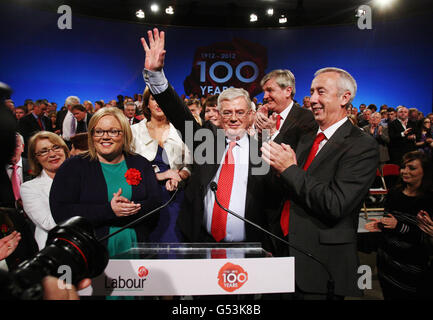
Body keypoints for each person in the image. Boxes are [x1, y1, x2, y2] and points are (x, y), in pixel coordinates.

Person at [140, 29, 271, 250]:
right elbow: (179, 115)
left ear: (250, 115)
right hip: (202, 242)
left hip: (251, 247)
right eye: (227, 112)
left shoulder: (263, 151)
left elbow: (272, 204)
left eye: (240, 112)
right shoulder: (207, 143)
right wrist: (156, 76)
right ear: (218, 116)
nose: (233, 118)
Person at [261, 67, 379, 299]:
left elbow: (336, 204)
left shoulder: (362, 145)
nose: (312, 99)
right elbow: (288, 190)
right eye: (312, 91)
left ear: (345, 98)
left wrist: (289, 169)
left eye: (321, 92)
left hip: (320, 265)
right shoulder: (305, 138)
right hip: (281, 253)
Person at [49, 107, 162, 257]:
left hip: (138, 250)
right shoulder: (73, 167)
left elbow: (155, 204)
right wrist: (109, 211)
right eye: (99, 131)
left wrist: (129, 209)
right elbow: (61, 212)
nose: (105, 137)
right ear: (92, 135)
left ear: (125, 134)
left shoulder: (140, 164)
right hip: (89, 254)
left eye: (113, 131)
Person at [365, 151, 433, 299]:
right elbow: (388, 221)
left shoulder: (428, 200)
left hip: (413, 272)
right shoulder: (394, 193)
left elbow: (424, 238)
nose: (404, 171)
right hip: (387, 267)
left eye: (412, 168)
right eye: (403, 167)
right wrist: (381, 225)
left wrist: (399, 226)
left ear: (425, 171)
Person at [131, 88, 192, 243]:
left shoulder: (181, 130)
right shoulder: (133, 131)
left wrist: (180, 176)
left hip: (175, 195)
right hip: (142, 198)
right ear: (146, 104)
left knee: (174, 245)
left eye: (163, 99)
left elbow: (190, 165)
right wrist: (160, 175)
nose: (159, 103)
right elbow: (127, 170)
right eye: (153, 99)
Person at [20, 131, 69, 250]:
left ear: (64, 150)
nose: (52, 154)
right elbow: (49, 223)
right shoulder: (29, 188)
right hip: (55, 251)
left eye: (56, 147)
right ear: (36, 158)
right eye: (44, 151)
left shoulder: (84, 177)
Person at [255, 69, 317, 150]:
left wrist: (273, 133)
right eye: (264, 92)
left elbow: (298, 158)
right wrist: (256, 133)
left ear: (288, 91)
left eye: (270, 90)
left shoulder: (307, 118)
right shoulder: (265, 117)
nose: (265, 97)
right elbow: (255, 157)